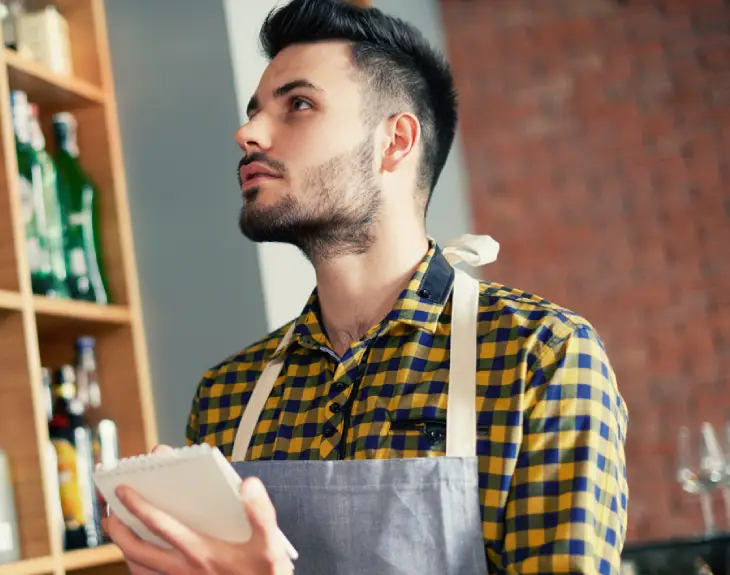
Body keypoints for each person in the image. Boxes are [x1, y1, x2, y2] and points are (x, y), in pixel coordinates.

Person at [102, 0, 629, 573]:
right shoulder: (228, 396)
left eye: (298, 105)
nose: (247, 132)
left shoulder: (540, 357)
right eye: (253, 111)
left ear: (395, 141)